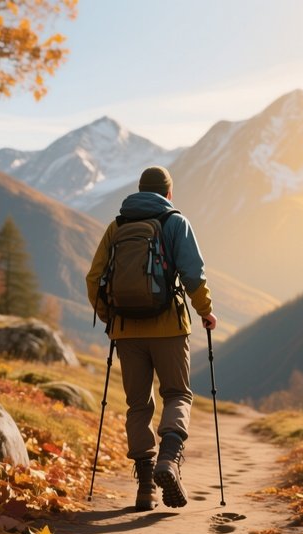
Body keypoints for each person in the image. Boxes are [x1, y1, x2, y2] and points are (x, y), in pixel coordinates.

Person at [87, 166, 217, 511]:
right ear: (168, 194)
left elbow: (94, 278)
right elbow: (193, 275)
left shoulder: (117, 227)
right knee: (177, 394)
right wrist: (205, 311)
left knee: (138, 405)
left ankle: (145, 488)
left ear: (140, 190)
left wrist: (110, 317)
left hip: (126, 331)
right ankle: (169, 461)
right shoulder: (176, 222)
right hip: (170, 329)